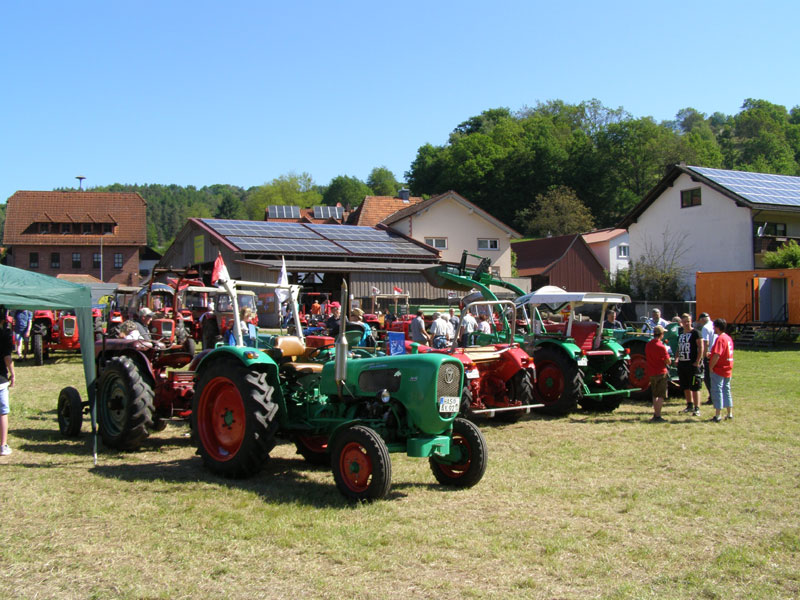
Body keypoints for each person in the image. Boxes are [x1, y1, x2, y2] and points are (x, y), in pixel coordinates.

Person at [676, 313, 703, 416]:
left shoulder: (696, 333)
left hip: (692, 364)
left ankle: (697, 408)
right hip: (682, 364)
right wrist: (677, 358)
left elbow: (701, 347)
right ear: (681, 323)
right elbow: (679, 347)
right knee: (685, 386)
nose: (687, 323)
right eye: (685, 321)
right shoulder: (681, 334)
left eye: (689, 321)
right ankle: (689, 405)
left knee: (695, 386)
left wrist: (697, 361)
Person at [709, 318, 734, 422]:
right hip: (728, 367)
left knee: (717, 390)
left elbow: (717, 355)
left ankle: (718, 415)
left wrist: (711, 366)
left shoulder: (720, 339)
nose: (713, 328)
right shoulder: (728, 338)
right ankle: (729, 413)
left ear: (718, 327)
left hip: (719, 369)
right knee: (726, 390)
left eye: (714, 326)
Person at [644, 325, 671, 422]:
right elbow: (668, 361)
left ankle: (655, 414)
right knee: (660, 395)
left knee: (654, 395)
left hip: (651, 372)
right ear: (661, 334)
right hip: (660, 372)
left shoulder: (648, 344)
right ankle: (658, 416)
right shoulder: (661, 346)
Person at [0, 306, 15, 456]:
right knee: (2, 413)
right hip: (1, 380)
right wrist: (13, 374)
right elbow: (7, 358)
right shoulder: (4, 334)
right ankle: (3, 445)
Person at [697, 312, 715, 405]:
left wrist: (702, 357)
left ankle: (712, 397)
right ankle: (716, 395)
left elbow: (705, 343)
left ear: (702, 319)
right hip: (716, 354)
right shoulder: (713, 325)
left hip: (708, 355)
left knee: (707, 377)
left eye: (700, 321)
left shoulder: (705, 328)